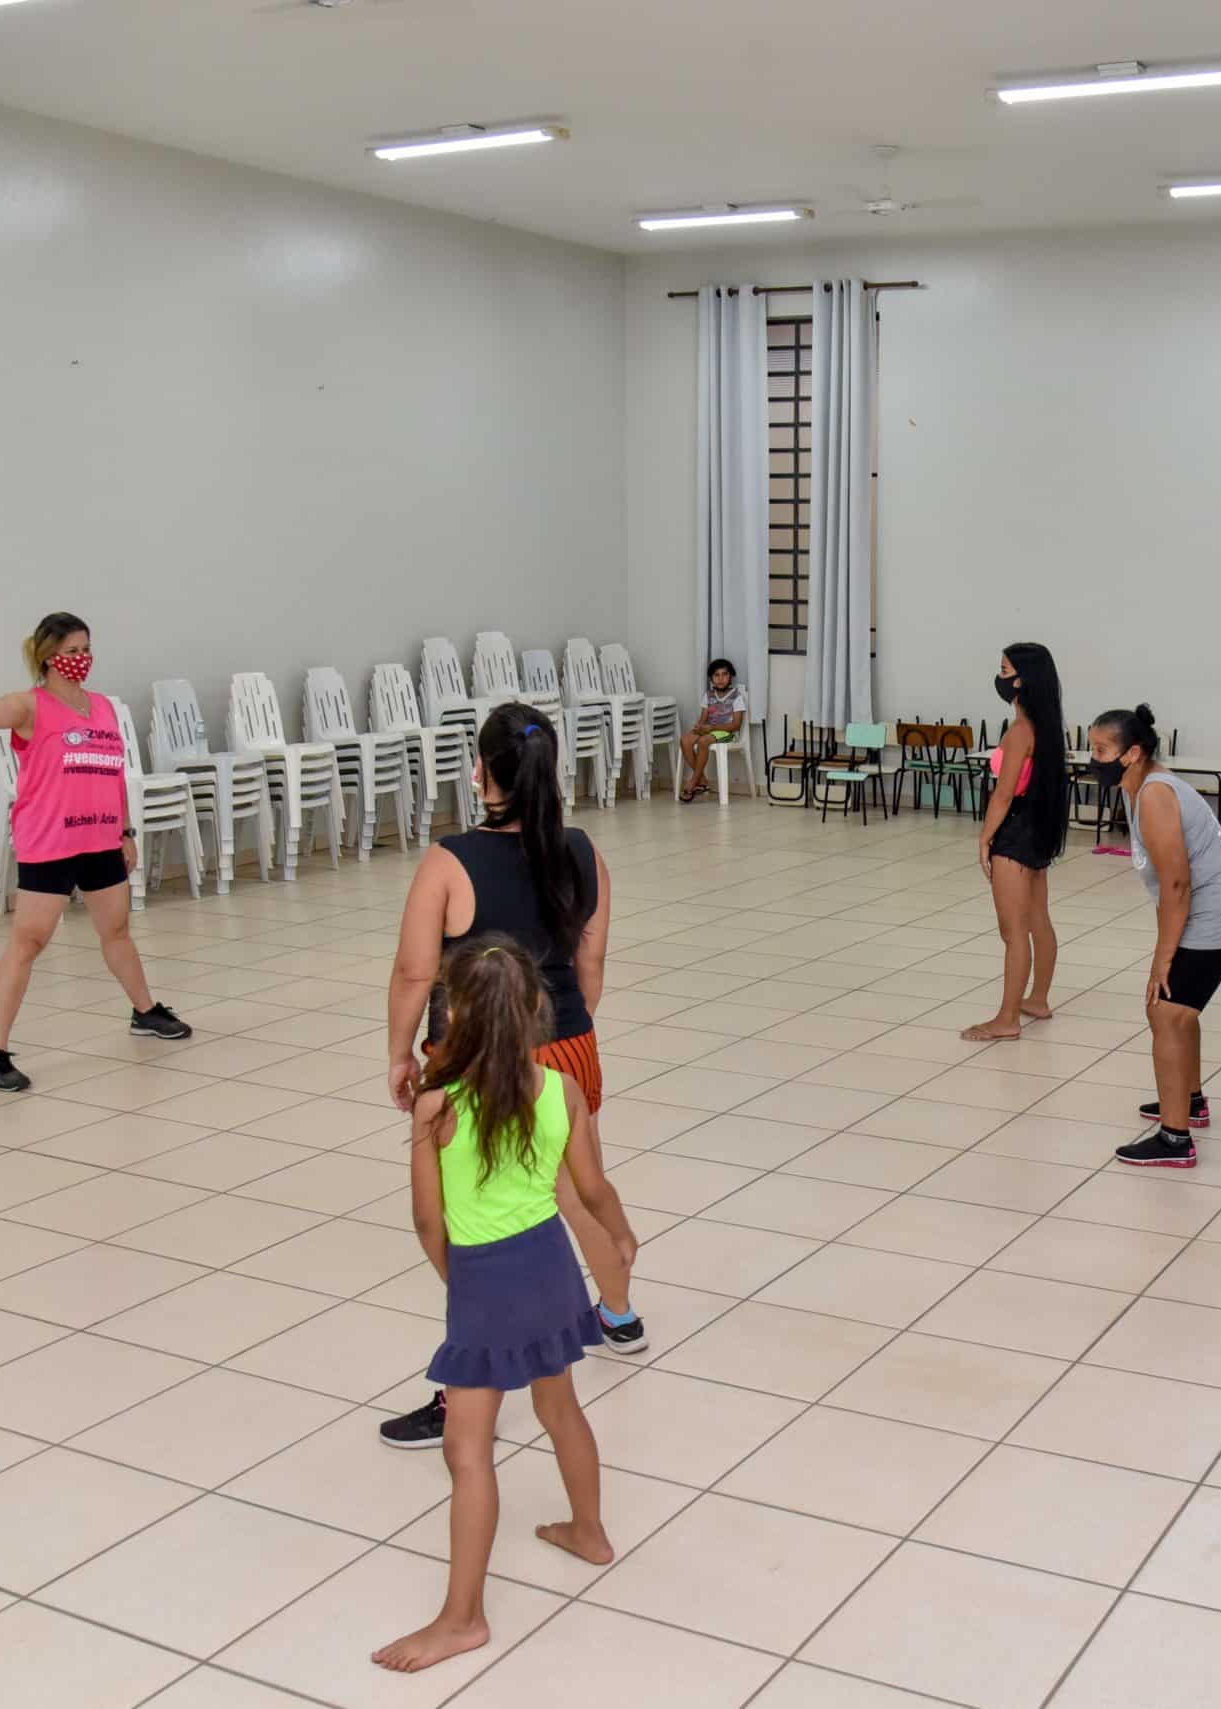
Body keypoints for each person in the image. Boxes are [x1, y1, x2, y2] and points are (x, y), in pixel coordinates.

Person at [378, 706, 641, 1452]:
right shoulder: (584, 852)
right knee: (578, 1186)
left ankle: (466, 1386)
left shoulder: (449, 861)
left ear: (481, 771)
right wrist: (559, 1036)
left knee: (484, 1216)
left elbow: (415, 972)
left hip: (478, 1059)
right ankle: (618, 1310)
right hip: (568, 1043)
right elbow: (590, 966)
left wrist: (400, 1054)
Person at [372, 937, 624, 1673]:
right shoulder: (561, 1090)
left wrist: (463, 1283)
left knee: (467, 1449)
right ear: (534, 1010)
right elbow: (591, 1188)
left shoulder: (437, 1107)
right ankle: (589, 1531)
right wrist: (620, 1235)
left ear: (454, 1016)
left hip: (485, 1278)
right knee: (559, 1406)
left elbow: (427, 1220)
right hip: (550, 1265)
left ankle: (462, 1618)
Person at [0, 615, 192, 1093]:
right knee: (28, 943)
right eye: (72, 650)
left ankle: (144, 1011)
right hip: (50, 843)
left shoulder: (102, 707)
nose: (82, 659)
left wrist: (125, 831)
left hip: (100, 840)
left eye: (86, 649)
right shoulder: (30, 706)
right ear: (49, 657)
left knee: (117, 931)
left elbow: (114, 773)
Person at [1088, 705, 1221, 1166]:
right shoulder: (1140, 787)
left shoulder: (1154, 794)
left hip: (1220, 911)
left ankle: (1175, 1139)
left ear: (1132, 753)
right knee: (1179, 1010)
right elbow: (1168, 888)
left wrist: (1162, 960)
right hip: (1215, 907)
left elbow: (1176, 885)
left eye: (1101, 750)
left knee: (1165, 1012)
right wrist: (1165, 952)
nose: (1093, 759)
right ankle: (1189, 1101)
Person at [962, 643, 1067, 1041]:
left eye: (1004, 670)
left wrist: (985, 838)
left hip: (1015, 834)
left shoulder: (1021, 732)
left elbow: (1003, 795)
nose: (1000, 677)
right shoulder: (1045, 726)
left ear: (1022, 680)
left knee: (1013, 931)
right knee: (1038, 919)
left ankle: (1007, 1019)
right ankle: (1037, 999)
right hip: (1037, 832)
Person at [676, 656, 747, 802]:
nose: (721, 679)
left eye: (724, 674)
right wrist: (700, 728)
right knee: (685, 740)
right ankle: (702, 780)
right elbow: (703, 720)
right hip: (709, 730)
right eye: (716, 675)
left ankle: (692, 782)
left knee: (704, 741)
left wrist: (711, 728)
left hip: (727, 732)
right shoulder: (708, 696)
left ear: (730, 676)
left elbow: (736, 725)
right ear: (711, 679)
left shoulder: (736, 697)